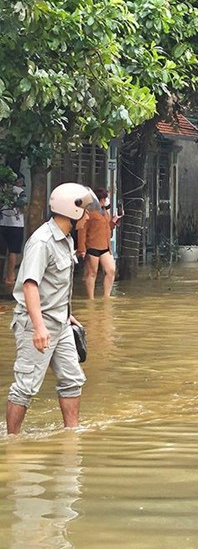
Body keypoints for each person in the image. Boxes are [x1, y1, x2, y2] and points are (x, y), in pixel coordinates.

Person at [8, 183, 99, 434]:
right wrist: (38, 328)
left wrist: (68, 315)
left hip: (61, 323)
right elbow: (29, 286)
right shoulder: (42, 242)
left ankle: (72, 434)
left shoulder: (67, 240)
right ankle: (12, 440)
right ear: (73, 211)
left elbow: (56, 285)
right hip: (36, 324)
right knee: (25, 386)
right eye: (86, 211)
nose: (89, 216)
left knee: (72, 380)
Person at [75, 188, 121, 299]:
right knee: (92, 273)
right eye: (105, 198)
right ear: (101, 199)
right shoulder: (89, 211)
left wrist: (113, 222)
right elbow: (82, 230)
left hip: (105, 246)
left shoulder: (105, 211)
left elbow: (107, 228)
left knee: (110, 270)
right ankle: (91, 298)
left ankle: (107, 296)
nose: (106, 200)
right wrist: (82, 248)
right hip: (92, 246)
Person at [1, 174, 26, 289]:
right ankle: (10, 276)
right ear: (19, 181)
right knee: (13, 251)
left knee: (2, 252)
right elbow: (23, 207)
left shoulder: (3, 190)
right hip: (15, 225)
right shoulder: (20, 192)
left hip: (2, 224)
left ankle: (2, 275)